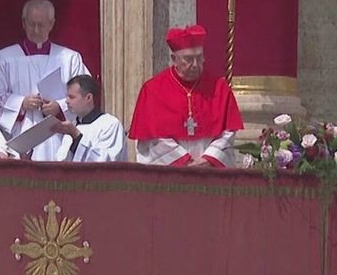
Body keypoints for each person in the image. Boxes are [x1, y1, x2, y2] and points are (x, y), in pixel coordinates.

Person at [0, 0, 89, 161]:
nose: (36, 30)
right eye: (32, 24)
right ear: (23, 23)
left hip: (57, 135)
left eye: (41, 25)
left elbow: (85, 94)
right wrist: (20, 103)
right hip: (20, 134)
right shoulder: (4, 58)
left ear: (51, 24)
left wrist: (59, 106)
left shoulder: (69, 58)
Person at [127, 24, 244, 167]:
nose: (195, 64)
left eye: (199, 58)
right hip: (171, 172)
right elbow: (152, 138)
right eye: (188, 59)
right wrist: (184, 161)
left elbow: (228, 132)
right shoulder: (152, 90)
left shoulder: (219, 87)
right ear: (174, 59)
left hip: (210, 170)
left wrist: (209, 159)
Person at [53, 74, 126, 163]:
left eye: (71, 97)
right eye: (67, 96)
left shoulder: (110, 125)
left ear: (88, 98)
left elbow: (105, 162)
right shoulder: (72, 126)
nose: (66, 101)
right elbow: (61, 162)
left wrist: (76, 137)